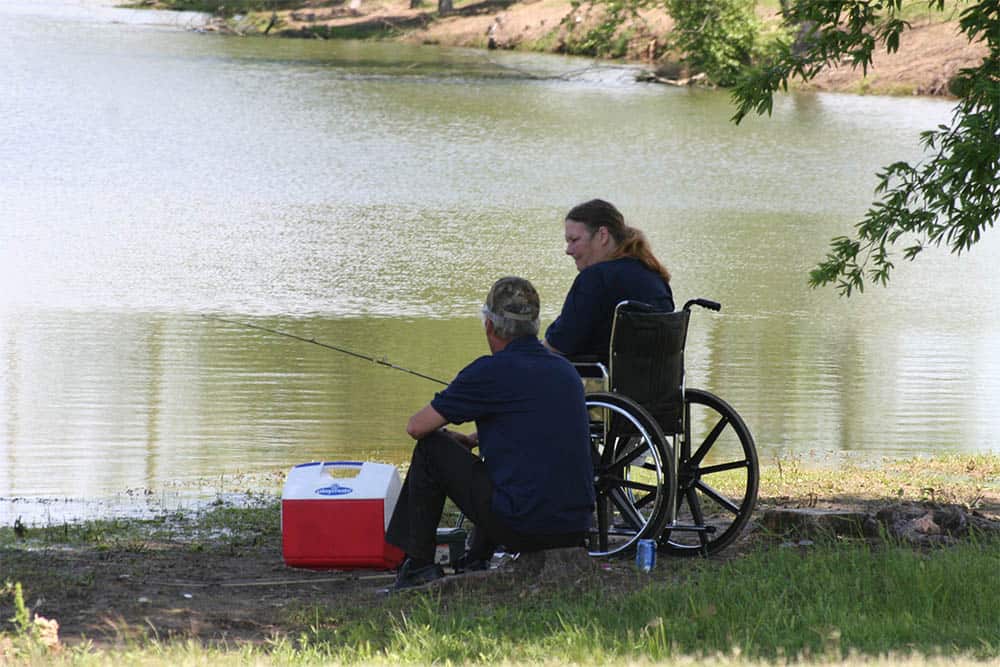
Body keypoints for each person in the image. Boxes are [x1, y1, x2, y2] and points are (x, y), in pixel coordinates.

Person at [385, 276, 596, 590]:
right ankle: (477, 558)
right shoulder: (564, 371)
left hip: (525, 527)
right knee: (507, 474)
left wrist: (447, 439)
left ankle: (418, 565)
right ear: (535, 325)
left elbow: (416, 427)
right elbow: (534, 432)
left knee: (431, 449)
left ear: (489, 326)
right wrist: (471, 440)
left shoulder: (488, 371)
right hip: (575, 527)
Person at [545, 199, 674, 361]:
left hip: (604, 380)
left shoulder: (595, 278)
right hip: (659, 383)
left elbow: (557, 346)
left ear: (603, 235)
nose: (568, 250)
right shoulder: (655, 275)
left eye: (574, 240)